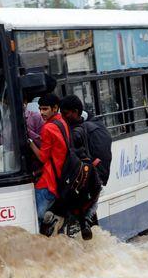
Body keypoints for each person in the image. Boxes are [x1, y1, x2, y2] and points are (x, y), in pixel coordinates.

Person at [59, 95, 105, 240]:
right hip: (89, 179)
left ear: (75, 111)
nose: (63, 116)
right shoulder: (86, 125)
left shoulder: (75, 132)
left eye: (65, 113)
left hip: (82, 179)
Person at [27, 93, 69, 230]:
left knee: (36, 220)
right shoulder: (62, 122)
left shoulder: (48, 128)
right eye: (40, 109)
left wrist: (30, 143)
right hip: (61, 180)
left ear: (55, 108)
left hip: (48, 182)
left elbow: (43, 157)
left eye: (45, 109)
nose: (41, 113)